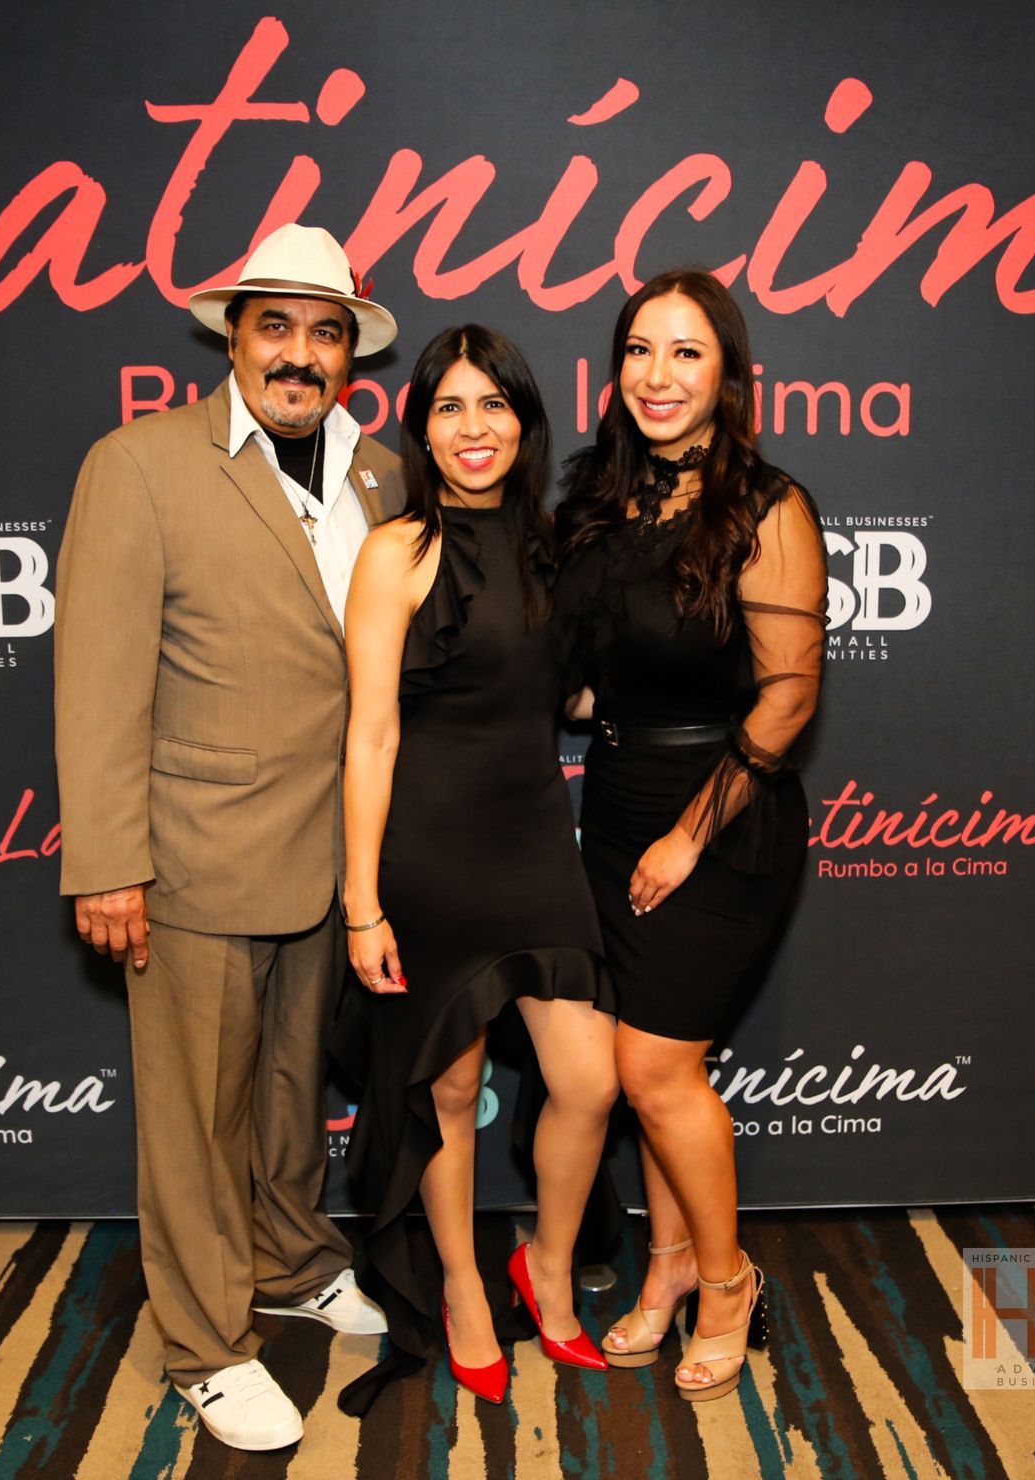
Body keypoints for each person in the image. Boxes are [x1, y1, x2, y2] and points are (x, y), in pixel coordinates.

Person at [53, 224, 404, 1452]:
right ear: (232, 335)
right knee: (197, 1115)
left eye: (326, 332)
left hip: (333, 856)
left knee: (295, 1093)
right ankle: (205, 1339)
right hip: (196, 850)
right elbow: (100, 677)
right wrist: (106, 858)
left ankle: (293, 1260)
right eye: (277, 326)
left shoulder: (380, 473)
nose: (300, 355)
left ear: (352, 351)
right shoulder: (141, 464)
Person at [555, 269, 826, 1403]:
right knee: (652, 1067)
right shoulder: (599, 501)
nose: (658, 376)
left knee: (654, 1069)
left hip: (721, 814)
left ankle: (725, 1282)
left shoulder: (769, 507)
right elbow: (586, 663)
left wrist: (687, 834)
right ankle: (663, 1269)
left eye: (686, 353)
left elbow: (788, 697)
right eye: (639, 351)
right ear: (615, 370)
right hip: (611, 803)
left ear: (727, 375)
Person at [339, 325, 619, 1407]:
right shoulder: (395, 554)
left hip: (538, 847)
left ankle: (544, 1270)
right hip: (430, 859)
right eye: (449, 407)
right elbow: (368, 736)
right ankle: (461, 1287)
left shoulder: (555, 547)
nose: (472, 429)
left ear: (524, 423)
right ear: (420, 427)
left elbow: (576, 700)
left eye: (492, 407)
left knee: (587, 1080)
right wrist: (362, 902)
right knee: (448, 1087)